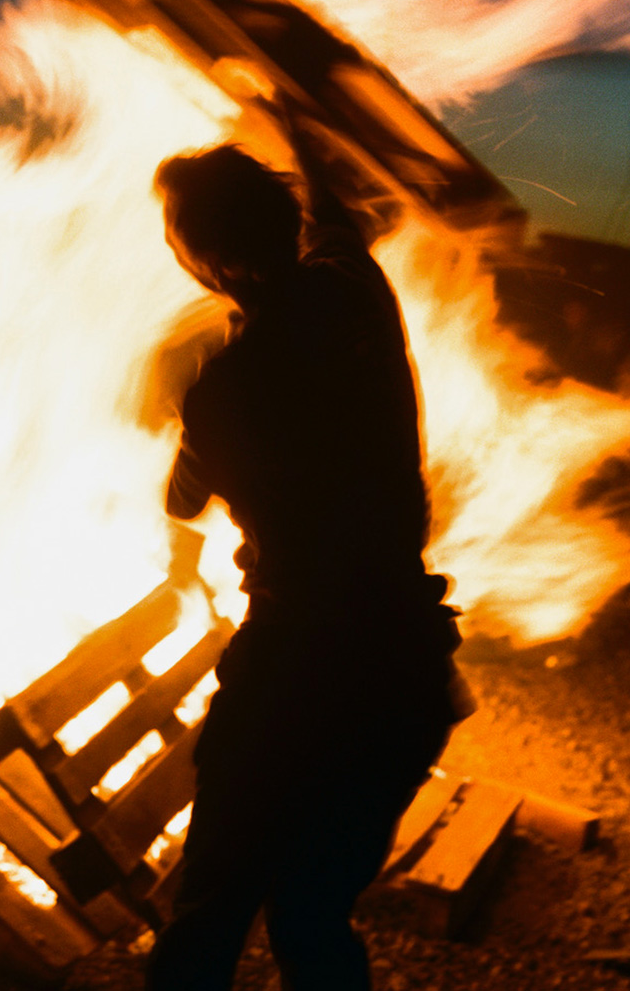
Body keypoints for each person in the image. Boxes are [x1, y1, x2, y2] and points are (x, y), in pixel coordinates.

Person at [147, 117, 467, 991]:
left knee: (207, 915)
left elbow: (181, 498)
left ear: (204, 262)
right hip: (404, 671)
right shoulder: (353, 288)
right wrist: (291, 122)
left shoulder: (228, 388)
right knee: (315, 917)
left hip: (296, 680)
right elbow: (330, 214)